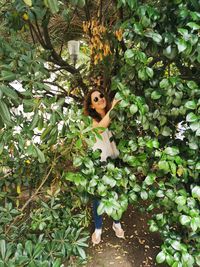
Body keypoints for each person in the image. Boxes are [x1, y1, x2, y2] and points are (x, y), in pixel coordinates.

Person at [84, 88, 125, 245]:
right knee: (98, 199)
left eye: (101, 96)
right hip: (98, 164)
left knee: (115, 195)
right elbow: (100, 128)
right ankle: (98, 228)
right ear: (92, 106)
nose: (100, 99)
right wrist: (113, 108)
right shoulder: (92, 120)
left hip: (113, 162)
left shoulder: (113, 116)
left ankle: (116, 223)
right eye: (96, 99)